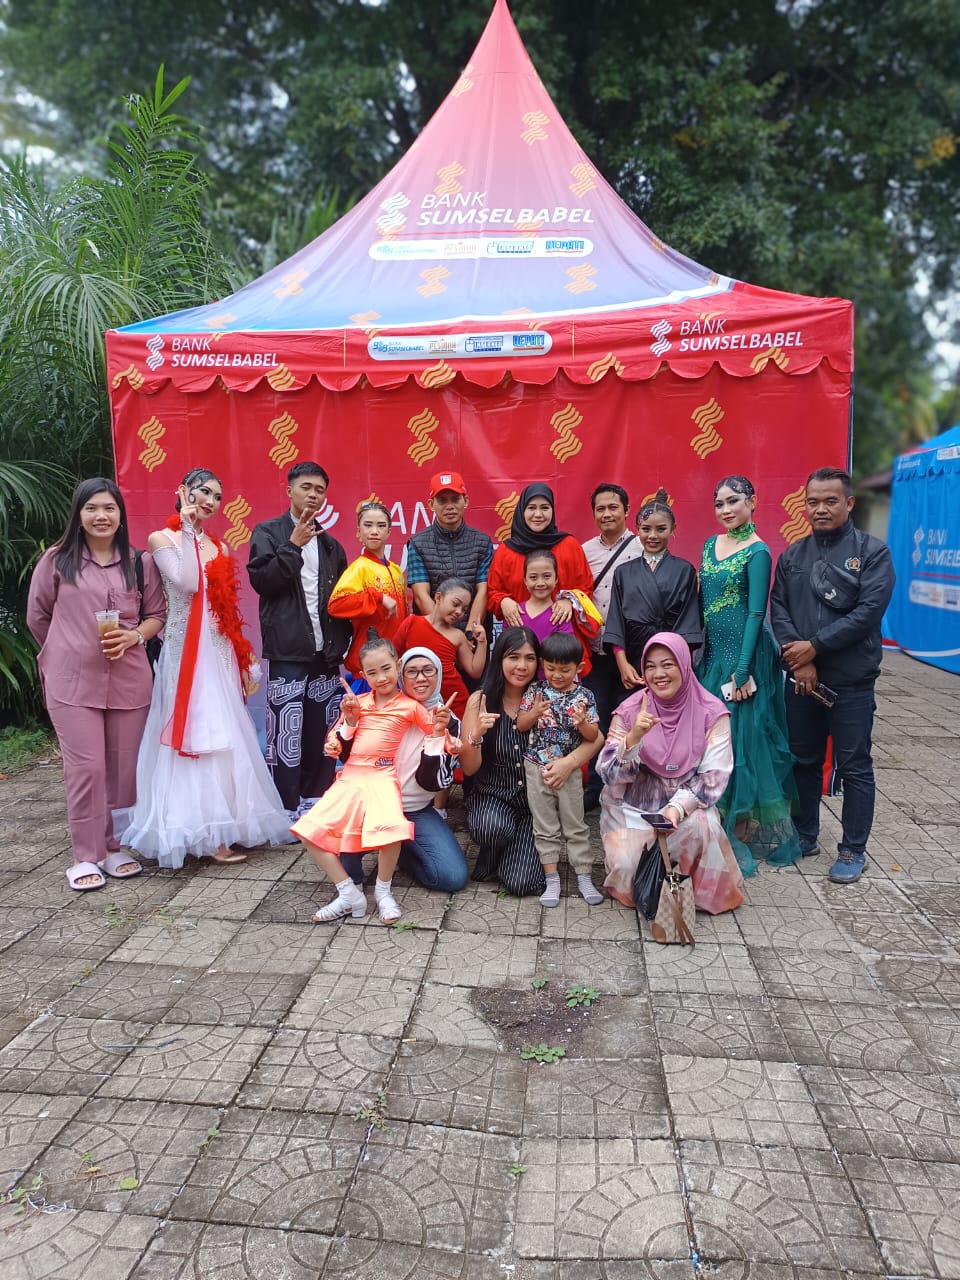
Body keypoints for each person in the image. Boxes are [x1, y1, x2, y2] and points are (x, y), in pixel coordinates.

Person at [122, 468, 291, 868]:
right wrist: (185, 527)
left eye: (217, 496)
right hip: (185, 655)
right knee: (196, 732)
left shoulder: (220, 547)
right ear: (183, 491)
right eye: (203, 492)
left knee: (226, 731)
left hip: (218, 651)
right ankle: (202, 831)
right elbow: (187, 583)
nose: (211, 502)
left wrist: (243, 656)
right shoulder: (161, 539)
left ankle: (226, 826)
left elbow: (224, 609)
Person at [26, 478, 166, 890]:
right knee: (87, 768)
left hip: (129, 681)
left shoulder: (139, 563)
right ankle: (85, 856)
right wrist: (65, 649)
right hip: (72, 683)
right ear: (79, 514)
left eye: (109, 508)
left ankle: (112, 847)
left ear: (120, 514)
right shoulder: (57, 560)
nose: (101, 516)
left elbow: (156, 615)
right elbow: (38, 616)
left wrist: (134, 636)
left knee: (122, 770)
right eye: (91, 508)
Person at [770, 466, 895, 884]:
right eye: (813, 501)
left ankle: (852, 848)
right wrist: (801, 660)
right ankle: (805, 834)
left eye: (830, 501)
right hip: (801, 680)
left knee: (855, 765)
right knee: (803, 760)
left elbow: (868, 613)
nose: (820, 509)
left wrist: (816, 646)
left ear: (849, 503)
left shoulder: (872, 553)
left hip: (851, 681)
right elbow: (779, 610)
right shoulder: (792, 556)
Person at [293, 636, 445, 922]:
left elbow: (436, 731)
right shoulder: (358, 703)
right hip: (351, 777)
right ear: (362, 675)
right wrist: (341, 732)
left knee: (390, 832)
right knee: (309, 831)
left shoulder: (410, 706)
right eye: (372, 673)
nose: (381, 677)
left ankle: (383, 892)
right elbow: (337, 738)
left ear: (397, 666)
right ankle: (348, 892)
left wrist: (450, 737)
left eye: (386, 669)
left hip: (382, 776)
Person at [697, 475, 802, 872]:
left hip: (745, 659)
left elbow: (757, 613)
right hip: (714, 658)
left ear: (752, 502)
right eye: (719, 503)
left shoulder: (759, 552)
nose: (725, 510)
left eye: (733, 501)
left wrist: (742, 669)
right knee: (713, 740)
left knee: (743, 741)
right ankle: (711, 823)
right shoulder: (710, 544)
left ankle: (735, 833)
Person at [598, 633, 744, 915]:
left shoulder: (711, 712)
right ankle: (658, 888)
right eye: (650, 666)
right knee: (628, 870)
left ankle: (689, 891)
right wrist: (633, 738)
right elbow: (608, 775)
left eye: (668, 664)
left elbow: (713, 778)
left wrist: (676, 808)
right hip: (632, 808)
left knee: (702, 826)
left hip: (686, 809)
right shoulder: (630, 710)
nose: (658, 674)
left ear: (685, 665)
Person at [246, 461, 352, 822]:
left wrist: (343, 642)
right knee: (286, 735)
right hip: (288, 651)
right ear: (289, 490)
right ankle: (286, 807)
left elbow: (341, 600)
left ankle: (314, 801)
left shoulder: (332, 545)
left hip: (326, 654)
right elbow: (264, 583)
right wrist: (292, 545)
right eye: (306, 487)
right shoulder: (268, 532)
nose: (313, 495)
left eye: (320, 490)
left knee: (322, 734)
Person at [338, 648, 469, 893]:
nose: (420, 678)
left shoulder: (448, 721)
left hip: (414, 809)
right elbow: (346, 756)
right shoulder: (373, 706)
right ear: (400, 673)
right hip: (371, 806)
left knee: (452, 877)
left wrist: (436, 735)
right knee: (340, 857)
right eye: (412, 672)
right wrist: (350, 722)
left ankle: (401, 851)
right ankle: (373, 847)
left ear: (439, 674)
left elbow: (433, 784)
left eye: (428, 670)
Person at [516, 631, 604, 907]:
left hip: (570, 770)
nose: (556, 675)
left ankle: (584, 875)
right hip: (536, 767)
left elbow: (593, 736)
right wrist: (534, 712)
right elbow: (521, 725)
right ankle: (551, 878)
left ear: (579, 667)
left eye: (564, 670)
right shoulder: (535, 691)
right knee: (544, 825)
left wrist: (582, 723)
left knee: (575, 824)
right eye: (551, 668)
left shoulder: (584, 696)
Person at [604, 489, 702, 695]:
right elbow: (615, 624)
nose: (653, 536)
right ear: (637, 529)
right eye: (646, 529)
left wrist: (674, 665)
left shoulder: (685, 570)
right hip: (634, 662)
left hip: (672, 661)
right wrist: (622, 664)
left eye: (661, 529)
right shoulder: (623, 572)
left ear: (673, 528)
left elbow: (689, 624)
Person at [581, 483, 643, 807]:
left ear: (627, 511)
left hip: (633, 654)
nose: (606, 514)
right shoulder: (584, 551)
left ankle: (629, 788)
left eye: (613, 507)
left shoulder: (642, 547)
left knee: (631, 719)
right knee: (597, 718)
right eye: (600, 509)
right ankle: (596, 788)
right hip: (595, 651)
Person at [487, 483, 593, 625]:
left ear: (552, 510)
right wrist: (503, 601)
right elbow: (492, 592)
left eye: (544, 508)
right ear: (522, 510)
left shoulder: (569, 545)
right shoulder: (506, 551)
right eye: (531, 508)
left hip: (563, 634)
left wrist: (570, 601)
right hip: (520, 635)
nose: (538, 514)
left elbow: (585, 587)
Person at [406, 471, 493, 638]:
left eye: (455, 499)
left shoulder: (482, 542)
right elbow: (421, 595)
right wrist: (448, 636)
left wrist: (470, 632)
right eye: (442, 500)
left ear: (465, 501)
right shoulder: (417, 543)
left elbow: (483, 591)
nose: (449, 506)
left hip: (474, 636)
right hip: (433, 636)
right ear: (431, 504)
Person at [327, 501, 408, 679]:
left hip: (395, 663)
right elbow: (336, 605)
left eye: (381, 526)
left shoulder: (395, 570)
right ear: (358, 532)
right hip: (370, 669)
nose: (374, 531)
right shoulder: (359, 568)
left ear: (389, 532)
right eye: (368, 525)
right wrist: (378, 597)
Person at [394, 577, 487, 717]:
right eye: (455, 604)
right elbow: (393, 659)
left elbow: (475, 671)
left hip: (453, 701)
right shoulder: (411, 623)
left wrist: (482, 642)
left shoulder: (458, 636)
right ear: (438, 597)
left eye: (464, 609)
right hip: (416, 698)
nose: (459, 612)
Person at [517, 549, 600, 670]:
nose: (540, 583)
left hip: (553, 679)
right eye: (533, 577)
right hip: (521, 676)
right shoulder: (515, 612)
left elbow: (566, 653)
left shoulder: (561, 614)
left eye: (547, 576)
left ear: (556, 579)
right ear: (525, 580)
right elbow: (507, 651)